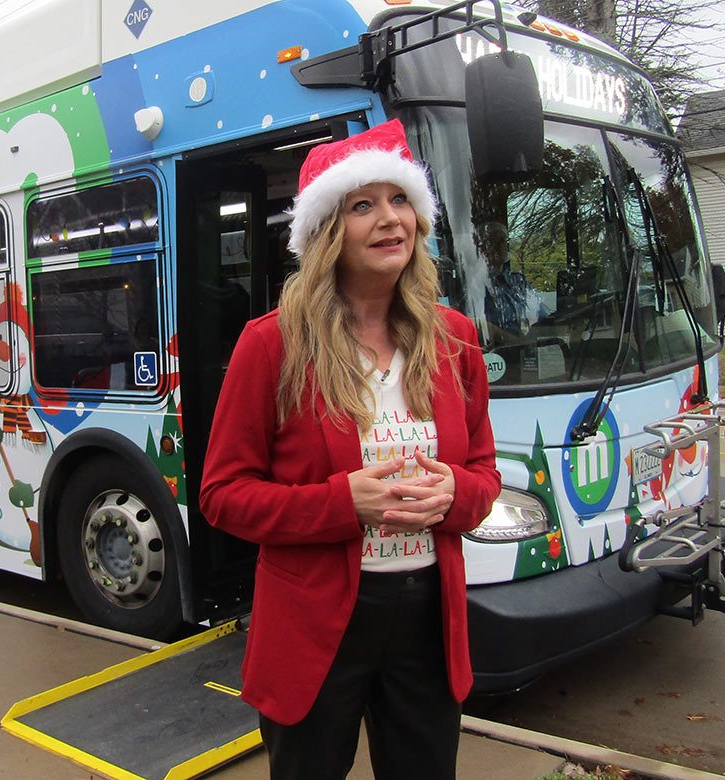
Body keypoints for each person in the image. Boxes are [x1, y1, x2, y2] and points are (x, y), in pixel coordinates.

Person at [199, 120, 501, 780]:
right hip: (313, 627)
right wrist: (342, 504)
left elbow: (484, 473)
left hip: (427, 619)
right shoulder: (270, 344)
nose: (390, 219)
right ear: (328, 231)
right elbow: (222, 495)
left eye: (399, 200)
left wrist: (456, 493)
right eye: (364, 204)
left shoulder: (454, 338)